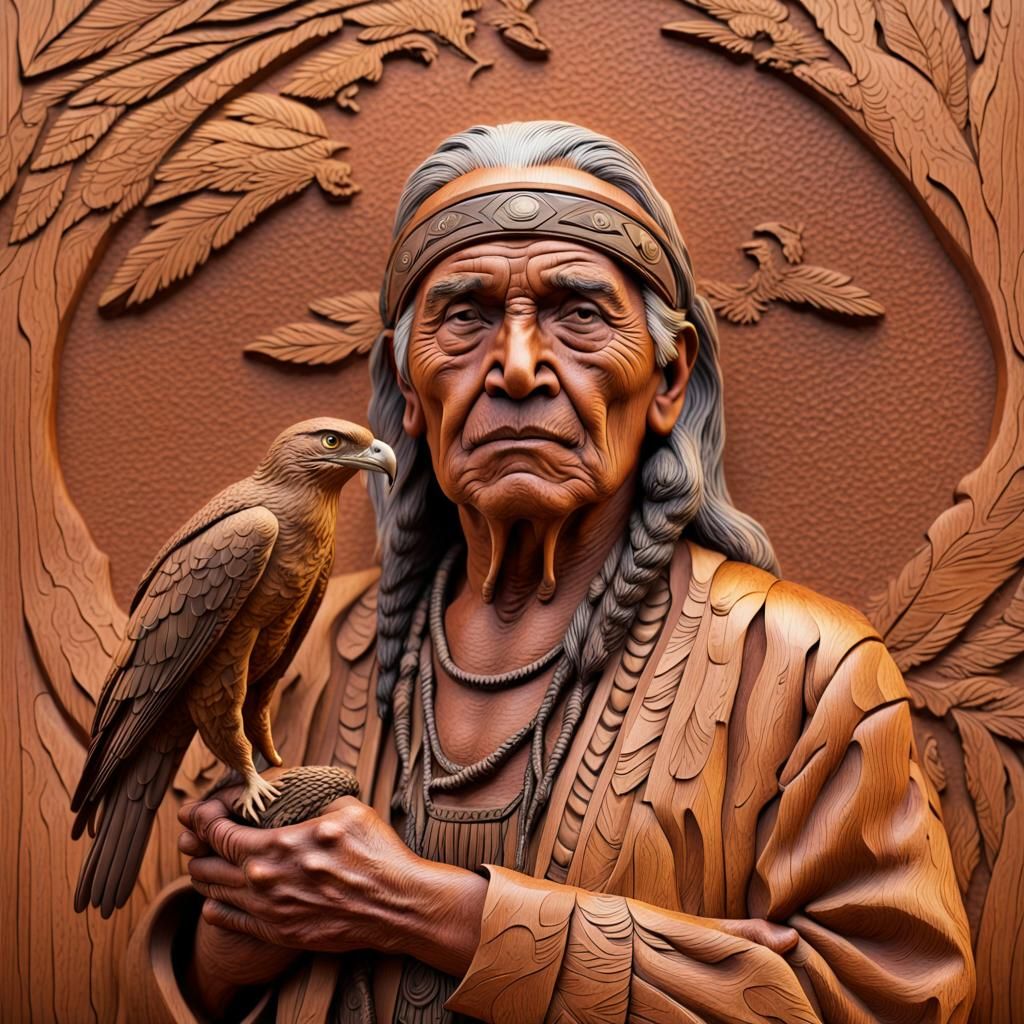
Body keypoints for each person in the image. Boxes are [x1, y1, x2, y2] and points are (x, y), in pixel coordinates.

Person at [122, 121, 974, 1023]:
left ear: (670, 377)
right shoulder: (297, 643)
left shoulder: (803, 669)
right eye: (465, 318)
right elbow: (123, 981)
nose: (519, 369)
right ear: (407, 391)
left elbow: (893, 1003)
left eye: (578, 314)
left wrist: (427, 908)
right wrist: (223, 953)